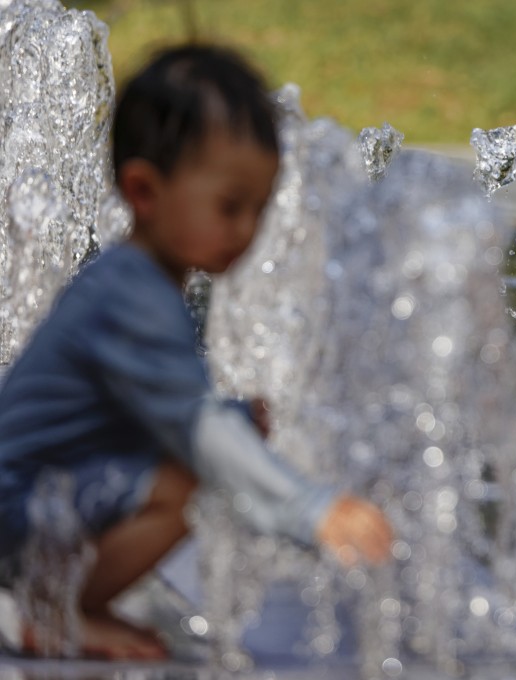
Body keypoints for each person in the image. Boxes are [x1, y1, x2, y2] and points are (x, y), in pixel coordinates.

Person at [0, 45, 392, 660]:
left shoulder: (132, 278)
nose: (246, 230)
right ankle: (53, 614)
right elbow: (194, 429)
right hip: (17, 508)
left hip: (31, 497)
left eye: (259, 209)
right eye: (229, 207)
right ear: (144, 190)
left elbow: (159, 413)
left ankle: (62, 603)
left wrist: (232, 421)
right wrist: (311, 509)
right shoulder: (132, 292)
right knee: (187, 481)